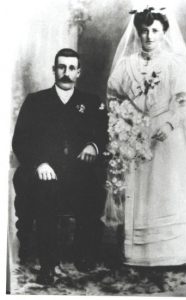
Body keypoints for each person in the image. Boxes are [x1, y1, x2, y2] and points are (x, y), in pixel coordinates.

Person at [105, 5, 186, 268]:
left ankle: (176, 252)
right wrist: (128, 120)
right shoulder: (126, 65)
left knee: (169, 189)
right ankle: (141, 255)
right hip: (137, 136)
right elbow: (113, 98)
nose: (150, 36)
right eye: (144, 31)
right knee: (141, 192)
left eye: (155, 30)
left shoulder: (175, 63)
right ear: (138, 34)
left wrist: (171, 123)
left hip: (167, 136)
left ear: (164, 32)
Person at [12, 48, 108, 284]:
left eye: (71, 68)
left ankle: (83, 252)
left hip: (79, 170)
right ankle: (48, 263)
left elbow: (102, 132)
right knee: (46, 191)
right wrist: (39, 163)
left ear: (79, 72)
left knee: (93, 187)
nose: (66, 73)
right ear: (54, 70)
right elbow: (20, 140)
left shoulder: (91, 101)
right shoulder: (36, 101)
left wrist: (93, 146)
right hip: (46, 171)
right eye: (61, 67)